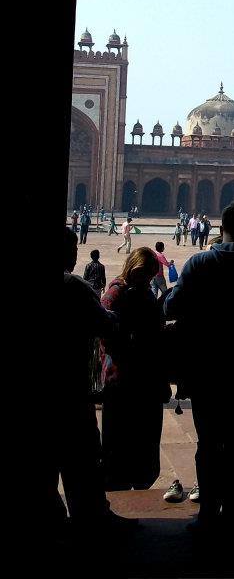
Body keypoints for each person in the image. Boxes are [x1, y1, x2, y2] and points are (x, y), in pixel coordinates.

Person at [164, 201, 234, 535]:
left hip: (203, 362)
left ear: (220, 227)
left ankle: (208, 515)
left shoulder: (200, 263)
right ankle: (233, 513)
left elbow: (172, 305)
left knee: (208, 440)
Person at [52, 229, 136, 536]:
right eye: (72, 248)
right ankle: (92, 518)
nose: (75, 254)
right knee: (82, 457)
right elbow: (106, 323)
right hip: (72, 384)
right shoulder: (74, 286)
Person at [100, 247, 169, 490]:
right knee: (117, 445)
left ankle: (139, 489)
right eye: (147, 275)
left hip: (144, 379)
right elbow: (106, 337)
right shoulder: (116, 294)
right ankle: (118, 496)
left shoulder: (143, 292)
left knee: (144, 444)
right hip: (121, 379)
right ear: (136, 269)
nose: (148, 280)